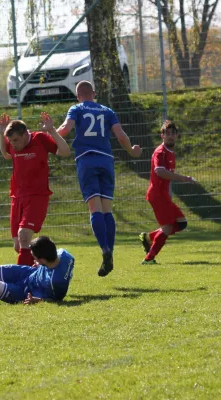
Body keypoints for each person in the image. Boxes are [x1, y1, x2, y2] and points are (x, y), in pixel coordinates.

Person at [57, 80, 142, 277]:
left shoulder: (76, 108)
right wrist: (131, 150)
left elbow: (65, 129)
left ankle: (104, 249)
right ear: (94, 93)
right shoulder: (107, 111)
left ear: (78, 96)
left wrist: (47, 135)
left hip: (86, 160)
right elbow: (120, 135)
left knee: (94, 208)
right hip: (106, 161)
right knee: (107, 209)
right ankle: (109, 251)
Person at [0, 112, 71, 266]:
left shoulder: (40, 139)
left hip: (37, 196)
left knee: (24, 236)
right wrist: (1, 133)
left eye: (16, 140)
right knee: (19, 246)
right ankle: (48, 270)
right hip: (17, 197)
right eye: (10, 141)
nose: (13, 144)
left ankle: (21, 281)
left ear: (25, 134)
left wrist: (51, 131)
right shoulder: (13, 144)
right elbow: (5, 154)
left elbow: (65, 151)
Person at [139, 120, 196, 265]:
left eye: (173, 134)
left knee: (181, 223)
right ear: (162, 136)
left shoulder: (170, 153)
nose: (170, 136)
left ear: (177, 136)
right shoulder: (160, 152)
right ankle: (149, 259)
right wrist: (183, 178)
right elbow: (160, 171)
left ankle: (149, 238)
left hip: (163, 195)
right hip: (157, 195)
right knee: (168, 228)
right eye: (167, 134)